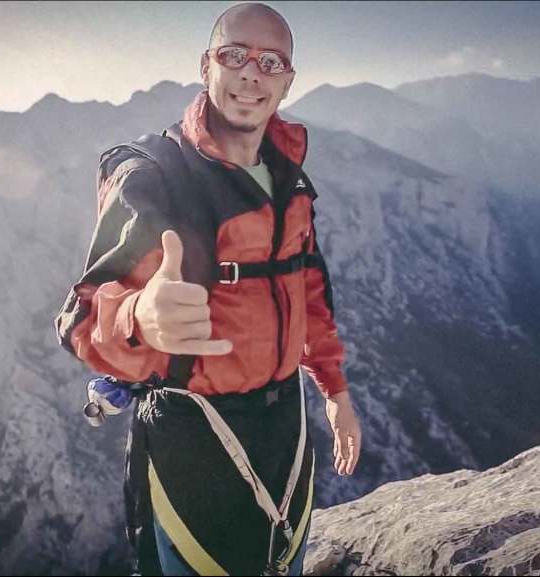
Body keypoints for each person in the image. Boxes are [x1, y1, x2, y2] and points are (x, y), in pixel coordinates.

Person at [55, 3, 361, 575]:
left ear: (288, 81)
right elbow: (82, 317)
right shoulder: (155, 178)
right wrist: (140, 317)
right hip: (193, 437)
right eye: (234, 55)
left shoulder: (289, 178)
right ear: (206, 66)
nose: (251, 74)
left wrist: (335, 390)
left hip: (285, 428)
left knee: (285, 564)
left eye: (271, 62)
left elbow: (308, 289)